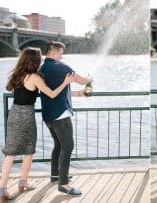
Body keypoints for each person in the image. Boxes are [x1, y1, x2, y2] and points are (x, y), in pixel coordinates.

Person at [0, 47, 75, 202]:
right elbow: (52, 94)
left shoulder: (17, 74)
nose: (41, 60)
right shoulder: (34, 77)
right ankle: (23, 182)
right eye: (39, 58)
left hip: (14, 112)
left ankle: (2, 188)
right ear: (34, 60)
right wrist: (65, 82)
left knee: (10, 153)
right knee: (29, 150)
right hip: (26, 115)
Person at [39, 41, 92, 195]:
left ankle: (55, 175)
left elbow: (57, 90)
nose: (62, 57)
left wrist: (77, 94)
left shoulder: (43, 68)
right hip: (61, 116)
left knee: (58, 145)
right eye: (61, 54)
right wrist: (90, 77)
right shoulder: (61, 67)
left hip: (49, 116)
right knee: (68, 147)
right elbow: (82, 80)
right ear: (54, 53)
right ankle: (64, 184)